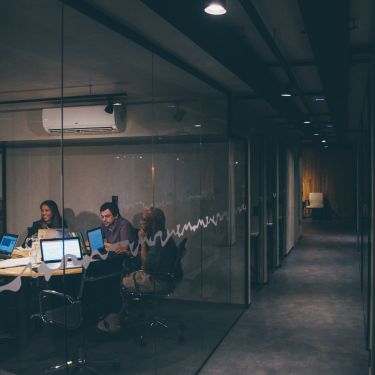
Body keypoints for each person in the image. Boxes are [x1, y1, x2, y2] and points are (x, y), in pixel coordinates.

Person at [123, 207, 178, 294]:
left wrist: (143, 240)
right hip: (160, 277)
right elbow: (151, 256)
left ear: (153, 224)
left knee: (121, 282)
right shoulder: (160, 235)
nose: (140, 222)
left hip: (159, 282)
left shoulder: (159, 239)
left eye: (143, 219)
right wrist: (133, 254)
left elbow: (146, 268)